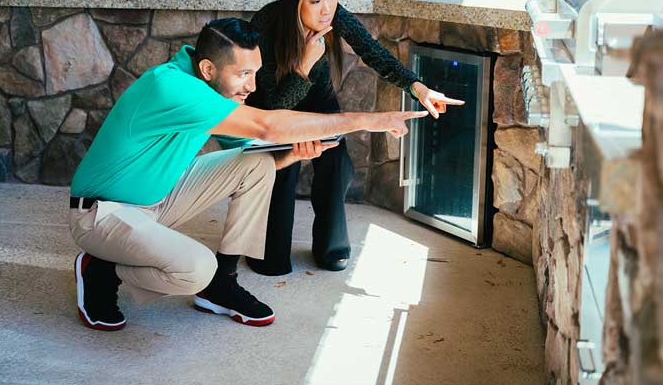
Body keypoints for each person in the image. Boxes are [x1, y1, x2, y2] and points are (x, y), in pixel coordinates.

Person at [69, 17, 426, 331]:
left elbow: (255, 154)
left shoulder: (205, 86)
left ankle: (222, 283)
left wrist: (295, 153)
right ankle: (100, 271)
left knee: (257, 163)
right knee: (196, 268)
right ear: (208, 69)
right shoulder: (170, 87)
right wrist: (368, 120)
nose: (252, 86)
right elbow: (267, 126)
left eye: (255, 73)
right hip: (102, 214)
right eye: (243, 74)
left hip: (157, 200)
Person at [242, 0, 465, 275]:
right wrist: (304, 65)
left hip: (318, 99)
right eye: (315, 0)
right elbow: (274, 106)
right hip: (273, 109)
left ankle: (331, 247)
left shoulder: (335, 16)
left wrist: (418, 88)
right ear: (294, 2)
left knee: (337, 163)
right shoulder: (266, 26)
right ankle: (268, 252)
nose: (327, 8)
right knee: (283, 171)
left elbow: (373, 52)